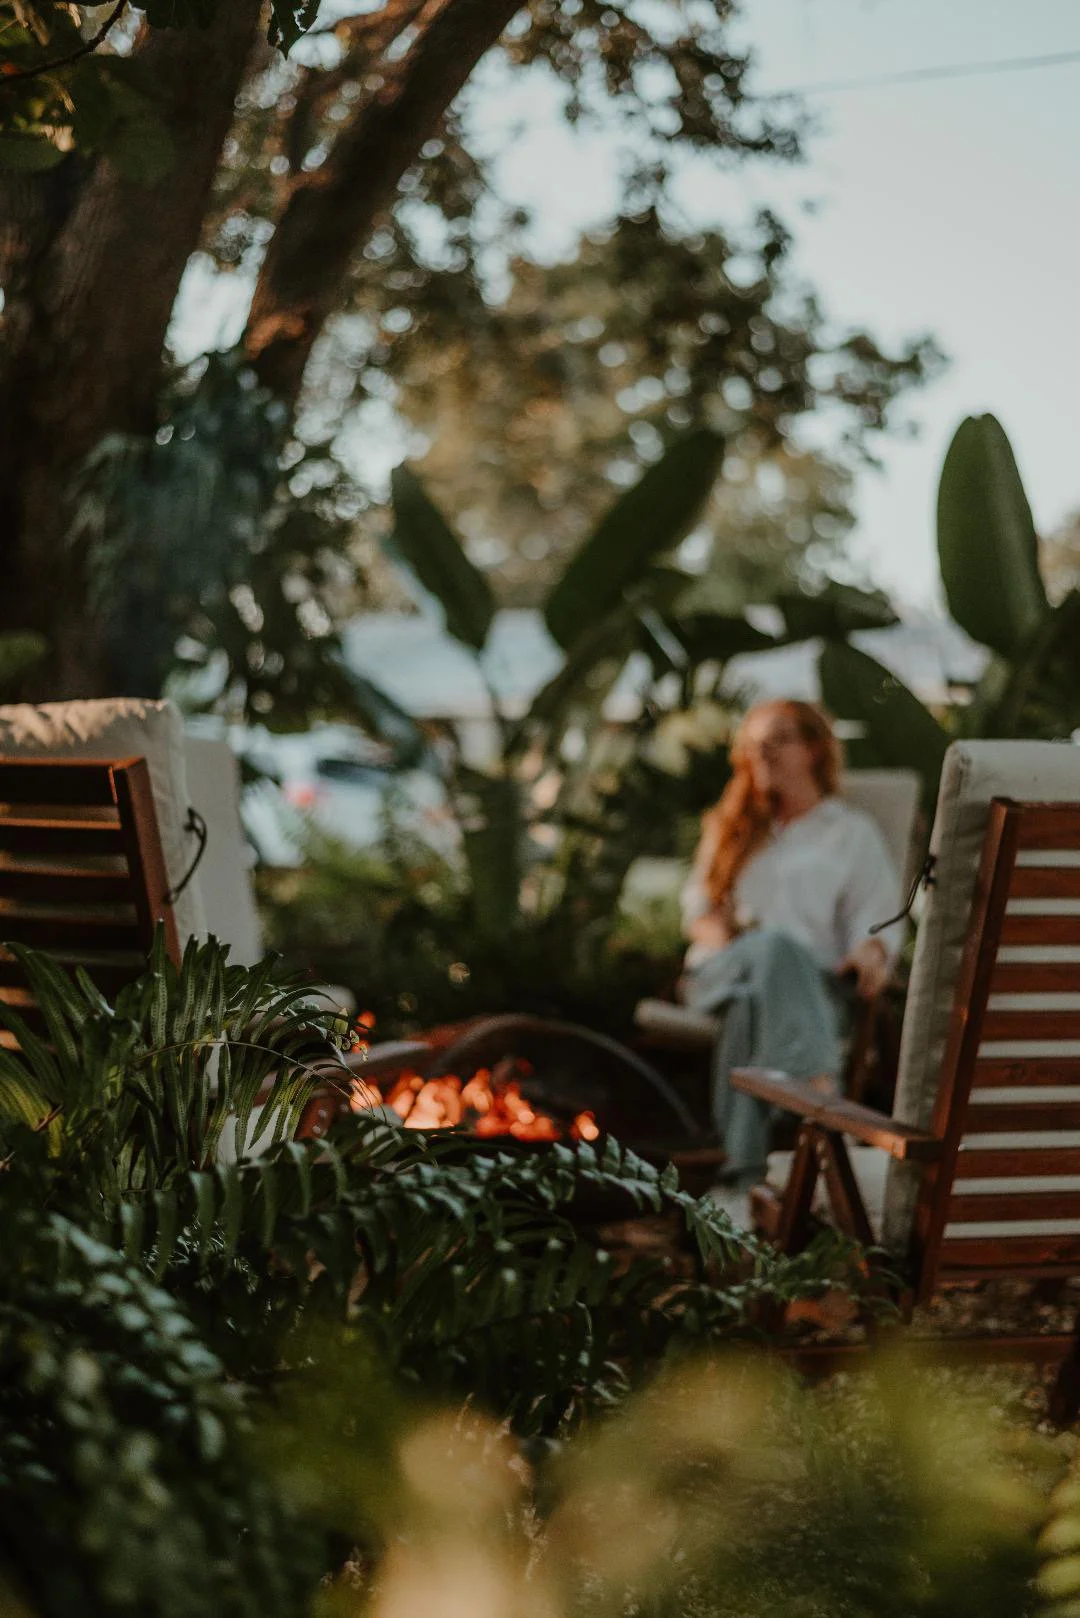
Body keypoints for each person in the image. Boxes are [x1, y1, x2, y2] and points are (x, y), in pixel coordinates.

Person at [680, 699, 903, 1202]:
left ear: (814, 749)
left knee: (750, 1009)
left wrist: (871, 952)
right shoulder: (731, 826)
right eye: (753, 743)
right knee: (772, 950)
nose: (762, 751)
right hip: (717, 974)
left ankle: (738, 1182)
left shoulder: (851, 834)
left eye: (778, 739)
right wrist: (749, 945)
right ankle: (818, 1095)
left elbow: (878, 920)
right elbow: (700, 916)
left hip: (809, 992)